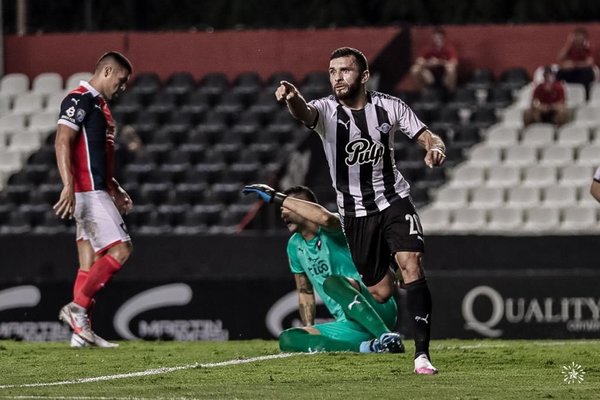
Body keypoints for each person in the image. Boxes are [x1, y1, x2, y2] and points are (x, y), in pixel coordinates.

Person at [274, 47, 446, 374]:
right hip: (355, 214)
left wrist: (435, 148)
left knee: (412, 263)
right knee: (380, 289)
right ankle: (387, 286)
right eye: (332, 72)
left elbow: (427, 136)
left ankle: (422, 355)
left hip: (393, 199)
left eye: (345, 70)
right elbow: (303, 113)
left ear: (363, 76)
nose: (337, 77)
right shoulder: (326, 111)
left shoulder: (390, 106)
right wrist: (292, 97)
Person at [243, 184, 403, 354]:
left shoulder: (334, 229)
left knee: (332, 283)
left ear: (302, 207)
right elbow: (305, 291)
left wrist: (276, 196)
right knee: (288, 339)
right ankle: (368, 347)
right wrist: (309, 329)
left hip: (377, 307)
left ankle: (386, 336)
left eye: (287, 207)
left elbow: (325, 218)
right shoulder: (294, 245)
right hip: (348, 324)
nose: (282, 213)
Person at [54, 51, 134, 348]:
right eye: (121, 81)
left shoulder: (101, 107)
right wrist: (68, 184)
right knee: (122, 250)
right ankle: (77, 309)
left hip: (97, 188)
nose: (122, 87)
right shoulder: (80, 99)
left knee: (88, 262)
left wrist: (114, 185)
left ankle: (80, 335)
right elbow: (63, 140)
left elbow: (98, 156)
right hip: (88, 192)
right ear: (107, 71)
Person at [409, 27, 458, 93]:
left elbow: (454, 62)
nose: (438, 40)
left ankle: (450, 93)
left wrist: (440, 62)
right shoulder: (428, 48)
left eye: (440, 38)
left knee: (451, 68)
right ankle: (421, 93)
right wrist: (429, 63)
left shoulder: (448, 48)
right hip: (430, 74)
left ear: (444, 38)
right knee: (414, 69)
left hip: (443, 74)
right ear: (433, 38)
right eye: (436, 38)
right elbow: (419, 61)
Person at [556, 27, 598, 99]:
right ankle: (559, 96)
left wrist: (574, 64)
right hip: (572, 71)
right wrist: (568, 43)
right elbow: (560, 57)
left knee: (587, 73)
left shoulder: (587, 48)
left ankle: (586, 98)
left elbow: (589, 63)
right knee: (560, 72)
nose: (578, 39)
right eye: (576, 36)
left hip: (583, 72)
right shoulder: (570, 47)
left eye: (580, 37)